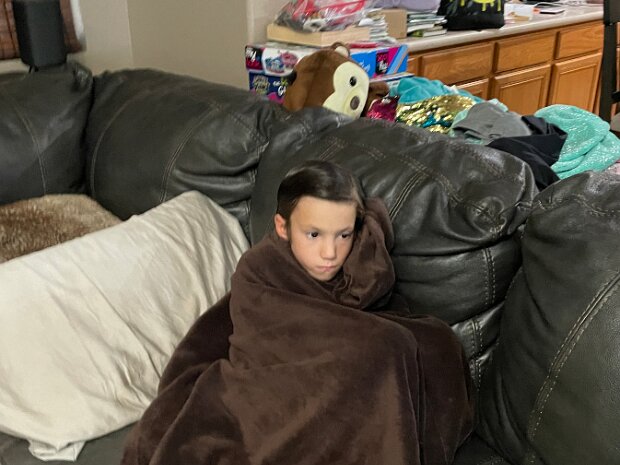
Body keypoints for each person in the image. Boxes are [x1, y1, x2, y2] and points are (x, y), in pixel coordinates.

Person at [122, 160, 474, 465]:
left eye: (343, 235)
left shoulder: (368, 262)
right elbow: (262, 344)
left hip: (345, 370)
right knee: (385, 345)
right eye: (314, 234)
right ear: (282, 227)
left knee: (429, 344)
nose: (329, 253)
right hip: (271, 388)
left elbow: (370, 324)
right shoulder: (260, 270)